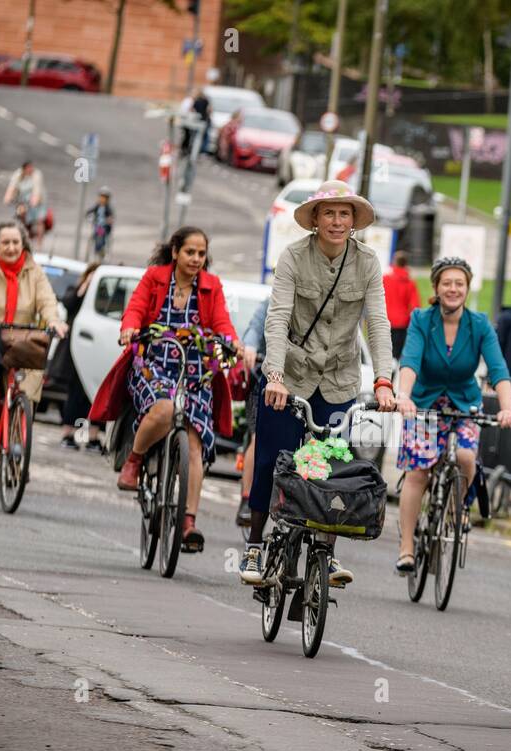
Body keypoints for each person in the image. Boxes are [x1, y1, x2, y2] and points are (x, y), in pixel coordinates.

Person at [238, 179, 396, 588]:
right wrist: (273, 376)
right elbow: (276, 320)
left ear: (354, 221)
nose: (337, 221)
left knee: (328, 469)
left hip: (339, 379)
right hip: (289, 376)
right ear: (315, 219)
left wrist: (383, 380)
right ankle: (255, 544)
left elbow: (377, 322)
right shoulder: (293, 257)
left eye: (345, 214)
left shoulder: (367, 262)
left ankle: (324, 554)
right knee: (275, 460)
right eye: (330, 213)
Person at [89, 226, 238, 554]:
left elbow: (222, 323)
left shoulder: (211, 286)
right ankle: (134, 460)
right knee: (166, 408)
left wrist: (232, 343)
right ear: (175, 252)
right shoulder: (155, 277)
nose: (196, 259)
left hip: (196, 370)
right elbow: (136, 310)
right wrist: (130, 328)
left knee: (196, 443)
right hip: (152, 363)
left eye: (201, 254)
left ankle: (188, 523)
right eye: (190, 252)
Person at [394, 256, 511, 573]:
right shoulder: (422, 319)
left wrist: (507, 408)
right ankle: (407, 546)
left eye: (459, 283)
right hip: (423, 404)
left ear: (467, 287)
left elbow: (499, 369)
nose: (453, 289)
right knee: (419, 471)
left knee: (465, 456)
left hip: (463, 406)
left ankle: (458, 509)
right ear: (436, 287)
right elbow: (409, 361)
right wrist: (403, 395)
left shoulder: (479, 325)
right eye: (446, 283)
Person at [0, 222, 67, 438]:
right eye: (5, 242)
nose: (11, 247)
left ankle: (17, 435)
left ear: (23, 245)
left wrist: (53, 320)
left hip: (19, 342)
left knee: (27, 385)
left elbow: (46, 300)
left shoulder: (34, 271)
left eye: (15, 242)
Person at [56, 262, 104, 451]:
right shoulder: (76, 290)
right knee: (75, 394)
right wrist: (85, 286)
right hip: (78, 349)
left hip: (99, 350)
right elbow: (68, 303)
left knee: (96, 395)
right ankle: (68, 432)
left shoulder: (106, 293)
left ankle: (92, 435)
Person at [236, 296, 269, 527]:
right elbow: (254, 329)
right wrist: (250, 347)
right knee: (260, 437)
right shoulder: (269, 303)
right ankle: (247, 499)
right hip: (264, 382)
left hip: (299, 383)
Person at [382, 249, 420, 360]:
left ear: (394, 262)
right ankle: (392, 376)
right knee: (396, 355)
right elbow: (415, 305)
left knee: (383, 354)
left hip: (385, 320)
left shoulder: (385, 279)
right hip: (402, 323)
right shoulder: (410, 283)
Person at [3, 161, 47, 243]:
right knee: (22, 216)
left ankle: (39, 242)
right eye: (28, 168)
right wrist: (7, 197)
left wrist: (34, 201)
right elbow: (12, 187)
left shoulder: (36, 174)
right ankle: (24, 237)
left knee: (39, 220)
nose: (30, 170)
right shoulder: (18, 174)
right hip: (23, 199)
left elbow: (37, 190)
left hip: (38, 200)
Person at [86, 188, 115, 261]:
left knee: (100, 236)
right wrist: (89, 216)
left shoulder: (108, 208)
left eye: (104, 198)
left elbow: (111, 217)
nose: (102, 199)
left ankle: (99, 250)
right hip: (97, 225)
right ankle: (98, 250)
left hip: (104, 227)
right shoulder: (97, 206)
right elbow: (89, 212)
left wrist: (109, 220)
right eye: (101, 197)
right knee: (96, 236)